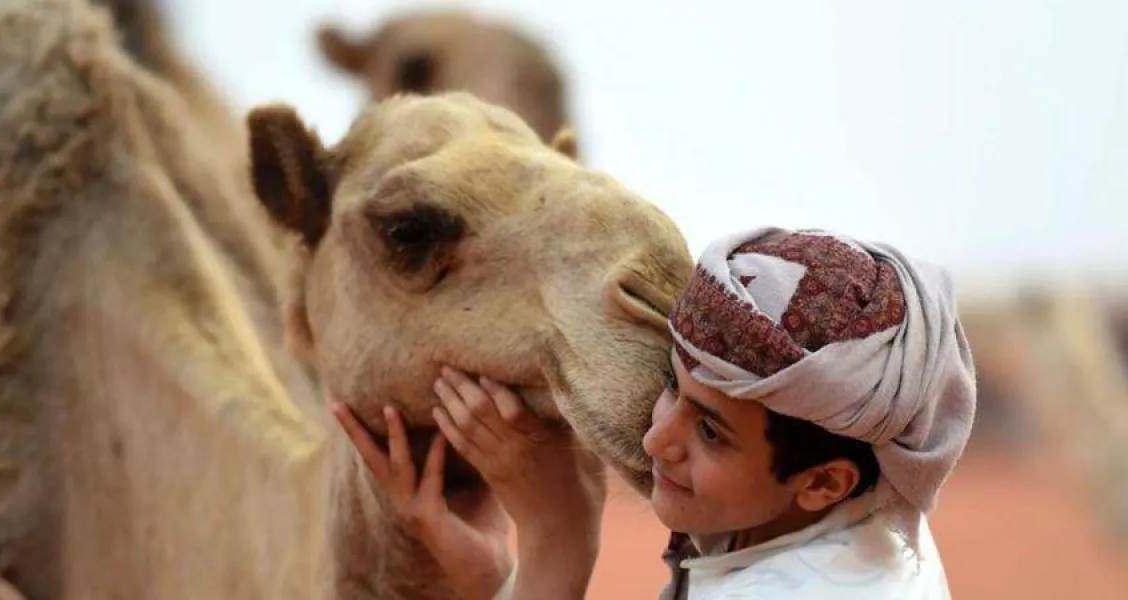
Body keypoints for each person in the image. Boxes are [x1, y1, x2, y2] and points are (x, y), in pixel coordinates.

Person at [331, 226, 977, 599]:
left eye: (710, 431)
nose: (658, 437)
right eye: (674, 385)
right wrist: (492, 571)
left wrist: (557, 531)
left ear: (822, 481)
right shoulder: (859, 517)